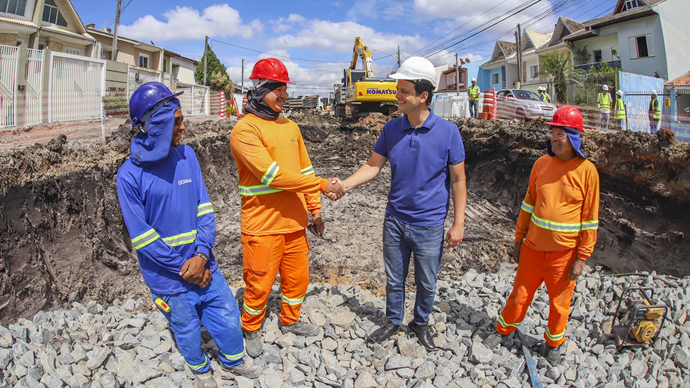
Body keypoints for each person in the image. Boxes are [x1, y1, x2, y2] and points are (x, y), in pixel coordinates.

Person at [116, 82, 261, 387]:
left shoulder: (188, 157)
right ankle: (200, 369)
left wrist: (201, 256)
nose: (184, 127)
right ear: (157, 125)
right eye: (177, 121)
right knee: (186, 326)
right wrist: (186, 270)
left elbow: (204, 211)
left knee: (225, 312)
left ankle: (234, 360)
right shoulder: (129, 175)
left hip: (203, 263)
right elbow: (142, 238)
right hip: (169, 277)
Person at [328, 56, 467, 351]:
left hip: (429, 226)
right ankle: (393, 320)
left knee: (427, 282)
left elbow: (458, 180)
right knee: (394, 278)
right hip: (394, 221)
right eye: (398, 89)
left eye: (403, 91)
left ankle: (420, 322)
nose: (397, 96)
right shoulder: (391, 129)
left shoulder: (448, 132)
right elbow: (373, 166)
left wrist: (458, 223)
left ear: (423, 96)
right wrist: (345, 186)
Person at [229, 58, 344, 358]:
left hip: (294, 225)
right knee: (258, 283)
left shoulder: (291, 126)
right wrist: (322, 185)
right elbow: (272, 176)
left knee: (297, 280)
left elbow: (305, 171)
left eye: (284, 89)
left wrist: (315, 210)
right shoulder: (245, 130)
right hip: (262, 228)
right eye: (277, 89)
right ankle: (251, 327)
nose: (284, 95)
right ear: (259, 90)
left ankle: (290, 320)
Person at [488, 105, 600, 366]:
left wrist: (582, 257)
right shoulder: (540, 164)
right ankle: (504, 330)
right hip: (533, 249)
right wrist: (518, 239)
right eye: (553, 131)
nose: (554, 138)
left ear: (574, 138)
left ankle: (554, 344)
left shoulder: (587, 171)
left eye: (560, 133)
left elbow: (590, 219)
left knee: (560, 303)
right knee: (520, 294)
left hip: (564, 255)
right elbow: (528, 204)